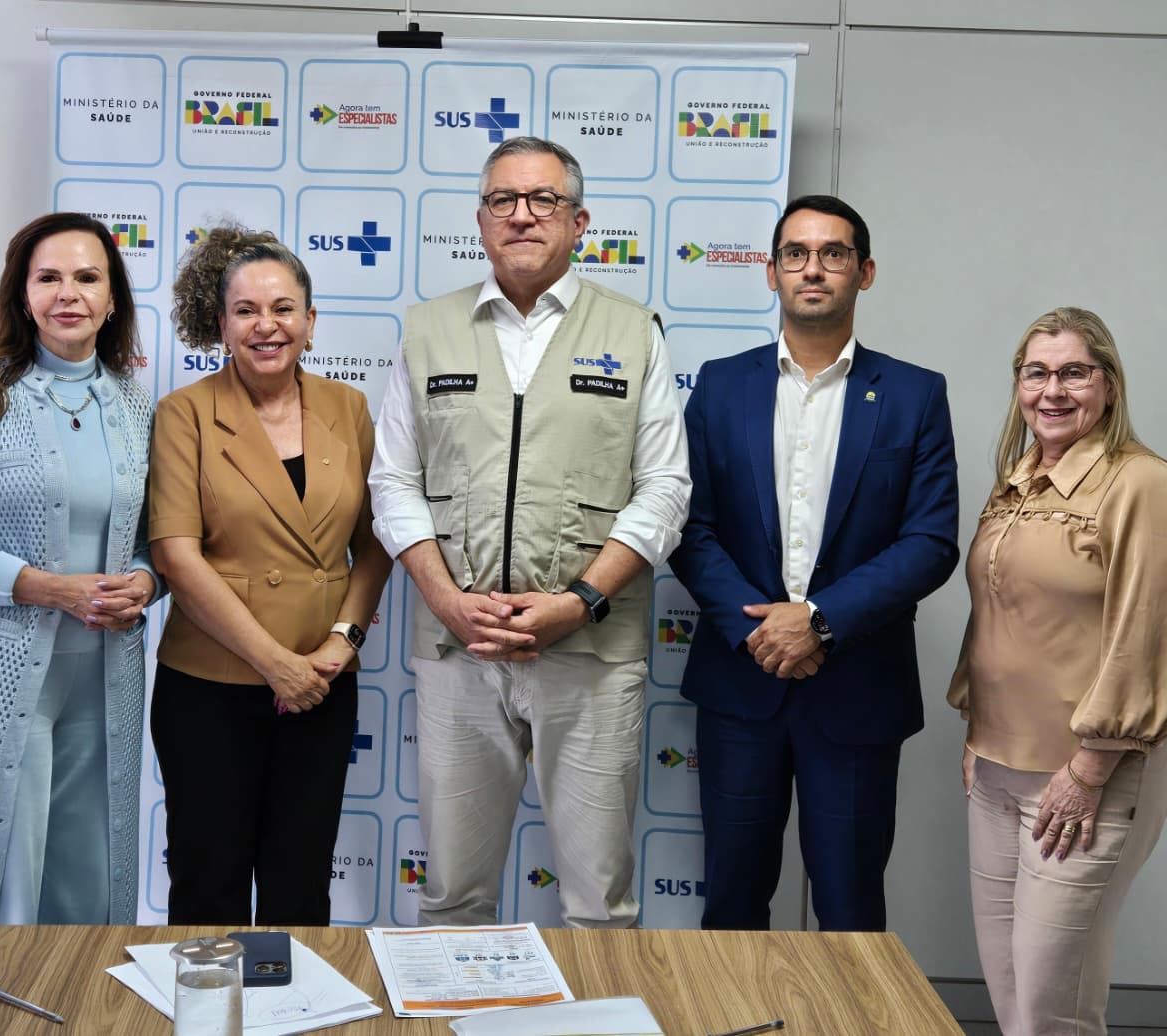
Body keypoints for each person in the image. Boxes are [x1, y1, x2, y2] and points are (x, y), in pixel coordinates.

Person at [369, 136, 690, 929]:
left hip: (589, 653)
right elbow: (392, 481)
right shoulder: (426, 330)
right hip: (458, 650)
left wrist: (580, 601)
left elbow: (665, 487)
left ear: (578, 221)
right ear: (480, 221)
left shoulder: (633, 331)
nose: (522, 215)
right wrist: (445, 600)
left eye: (543, 200)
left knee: (598, 903)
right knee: (451, 895)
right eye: (503, 200)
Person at [669, 195, 959, 931]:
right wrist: (763, 631)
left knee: (851, 909)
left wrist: (819, 622)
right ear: (770, 274)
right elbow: (690, 528)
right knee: (731, 904)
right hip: (743, 683)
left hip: (857, 687)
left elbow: (930, 541)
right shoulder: (720, 384)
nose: (813, 268)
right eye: (796, 253)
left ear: (864, 273)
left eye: (833, 254)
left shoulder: (915, 394)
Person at [0, 212, 158, 925]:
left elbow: (148, 542)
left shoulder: (136, 404)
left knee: (87, 876)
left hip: (106, 679)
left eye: (86, 278)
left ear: (112, 300)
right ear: (22, 295)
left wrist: (144, 581)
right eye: (48, 278)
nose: (67, 294)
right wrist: (43, 587)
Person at [148, 227, 390, 926]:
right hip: (210, 691)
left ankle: (296, 1020)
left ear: (311, 324)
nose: (266, 325)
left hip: (322, 684)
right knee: (207, 880)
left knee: (301, 881)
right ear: (221, 324)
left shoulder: (348, 408)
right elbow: (176, 556)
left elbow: (375, 542)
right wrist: (274, 664)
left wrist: (341, 643)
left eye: (284, 309)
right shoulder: (184, 414)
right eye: (247, 310)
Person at [947, 307, 1167, 1035]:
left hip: (1083, 777)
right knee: (1011, 997)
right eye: (1036, 372)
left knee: (1053, 1007)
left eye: (1074, 371)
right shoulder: (1018, 480)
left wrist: (1089, 771)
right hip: (996, 767)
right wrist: (976, 732)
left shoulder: (1141, 484)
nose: (1053, 390)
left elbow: (1148, 634)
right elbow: (1000, 615)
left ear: (1108, 384)